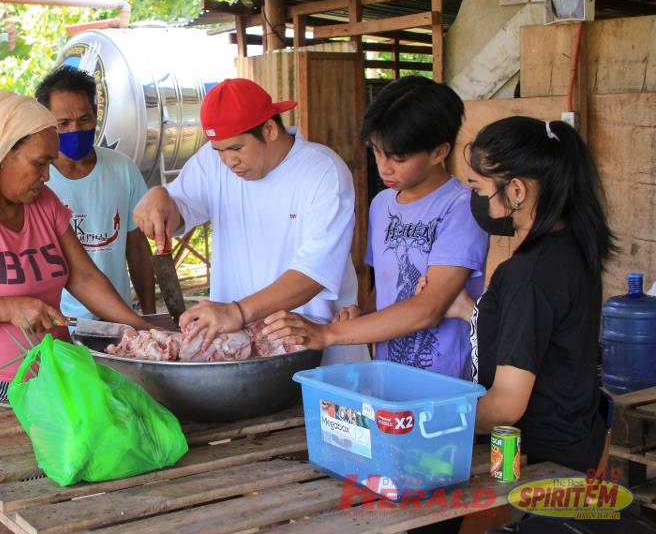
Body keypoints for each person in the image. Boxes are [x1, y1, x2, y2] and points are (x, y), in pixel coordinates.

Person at [0, 91, 152, 534]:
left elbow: (85, 278)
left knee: (39, 501)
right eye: (39, 163)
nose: (48, 174)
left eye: (51, 162)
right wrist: (7, 307)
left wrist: (140, 329)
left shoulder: (46, 206)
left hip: (49, 384)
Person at [262, 76, 489, 380]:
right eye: (377, 151)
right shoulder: (382, 204)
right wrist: (363, 313)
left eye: (399, 158)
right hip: (389, 373)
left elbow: (429, 308)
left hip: (443, 379)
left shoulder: (461, 207)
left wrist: (329, 333)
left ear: (439, 152)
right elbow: (385, 284)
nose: (384, 167)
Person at [133, 78, 369, 365]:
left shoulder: (322, 172)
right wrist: (159, 199)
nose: (228, 162)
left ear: (269, 129)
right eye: (218, 151)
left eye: (236, 148)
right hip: (235, 350)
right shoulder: (213, 161)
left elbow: (314, 273)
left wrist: (238, 311)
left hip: (314, 349)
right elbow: (178, 206)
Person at [442, 115, 615, 475]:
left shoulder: (529, 275)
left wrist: (432, 422)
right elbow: (544, 340)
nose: (476, 201)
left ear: (517, 190)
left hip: (533, 462)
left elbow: (506, 406)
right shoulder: (574, 248)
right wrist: (472, 311)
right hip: (576, 443)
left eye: (478, 189)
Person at [35, 66, 156, 319]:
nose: (74, 130)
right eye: (63, 123)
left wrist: (148, 315)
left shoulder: (122, 169)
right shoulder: (35, 181)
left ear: (96, 114)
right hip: (58, 324)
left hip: (118, 318)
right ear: (45, 122)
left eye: (84, 119)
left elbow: (137, 248)